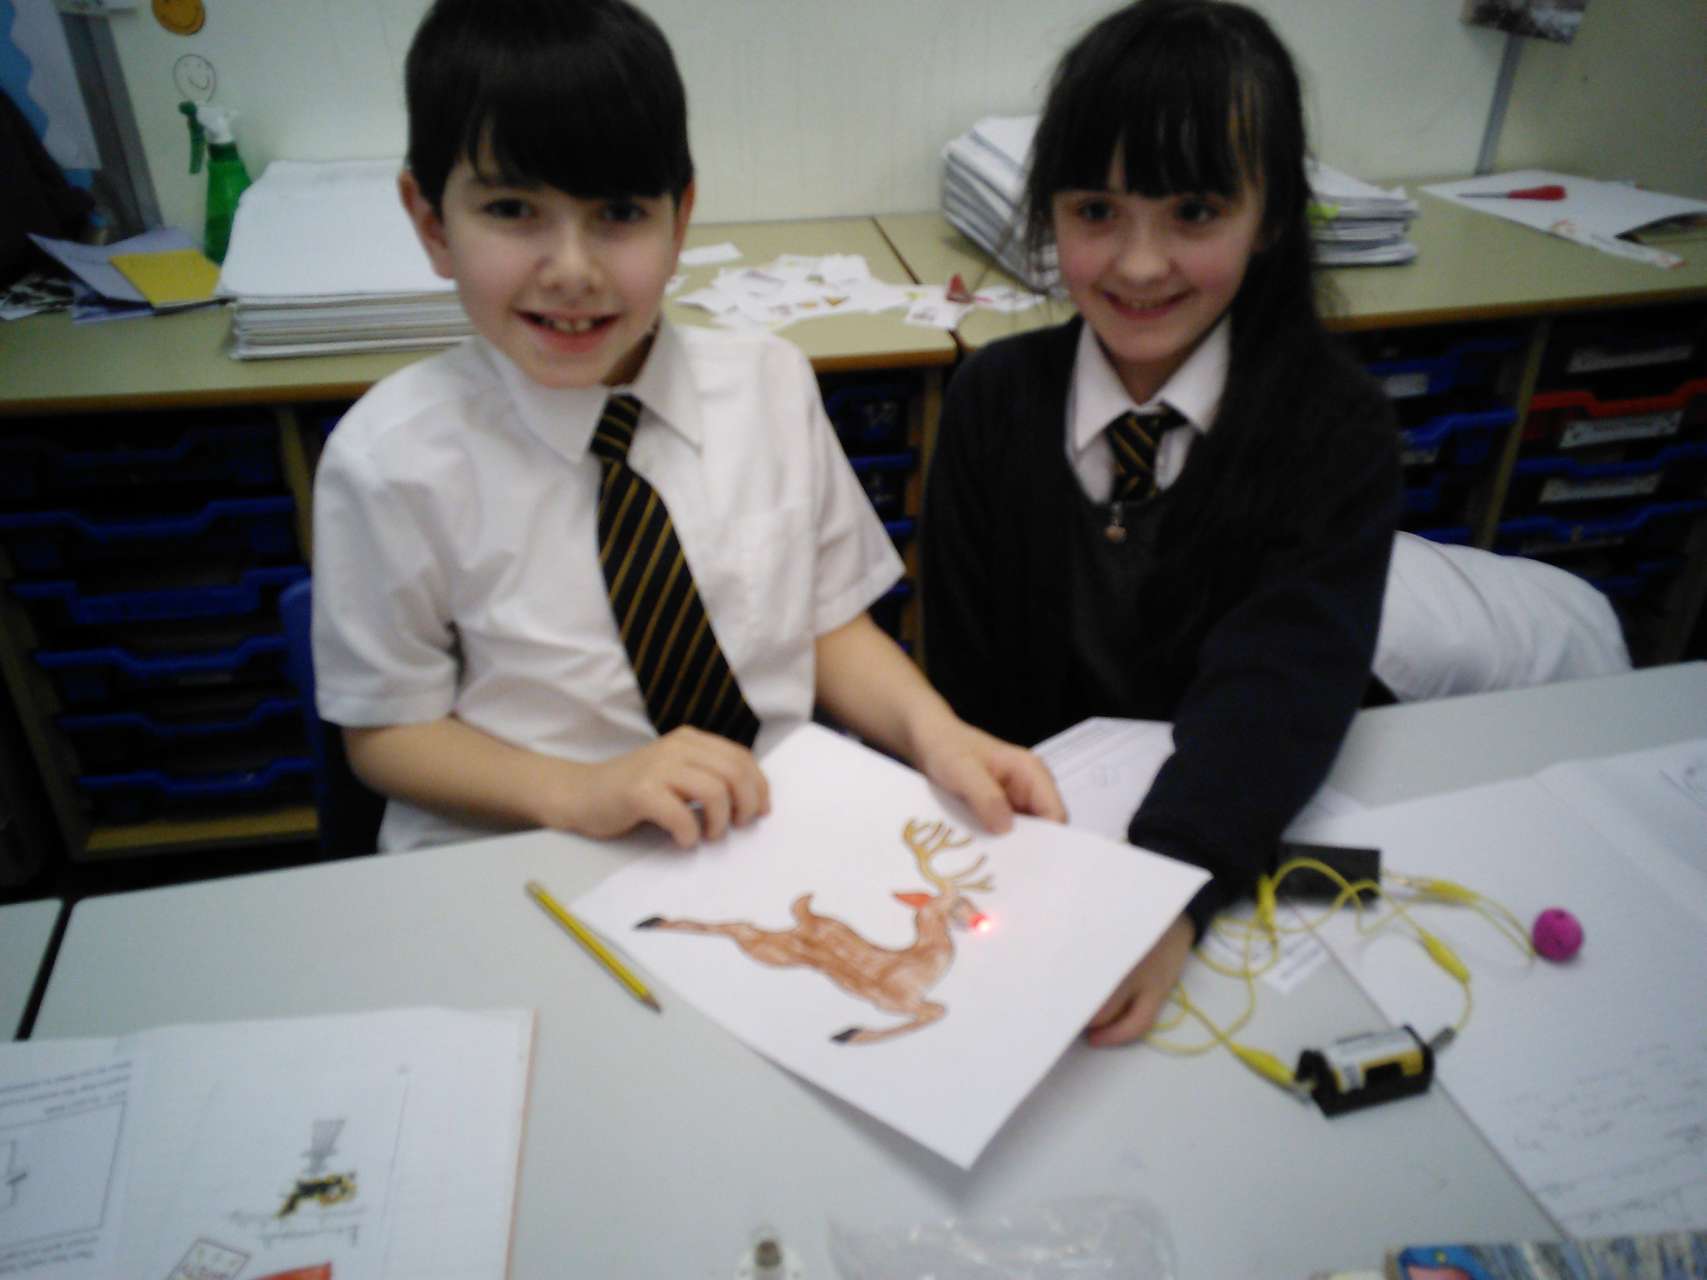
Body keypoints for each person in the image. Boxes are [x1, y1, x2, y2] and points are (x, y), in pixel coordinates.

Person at [312, 0, 1062, 855]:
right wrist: (583, 792)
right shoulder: (390, 459)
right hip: (522, 845)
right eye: (513, 209)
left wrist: (937, 734)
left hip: (759, 833)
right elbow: (387, 732)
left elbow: (826, 628)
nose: (571, 270)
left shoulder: (768, 384)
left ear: (680, 219)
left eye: (619, 213)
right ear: (431, 224)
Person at [922, 0, 1401, 1046]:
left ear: (1269, 217)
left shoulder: (1335, 428)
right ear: (1049, 213)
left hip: (1225, 846)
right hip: (1038, 853)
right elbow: (963, 682)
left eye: (1193, 211)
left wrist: (1169, 887)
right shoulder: (993, 401)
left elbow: (1281, 683)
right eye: (1097, 210)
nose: (1139, 265)